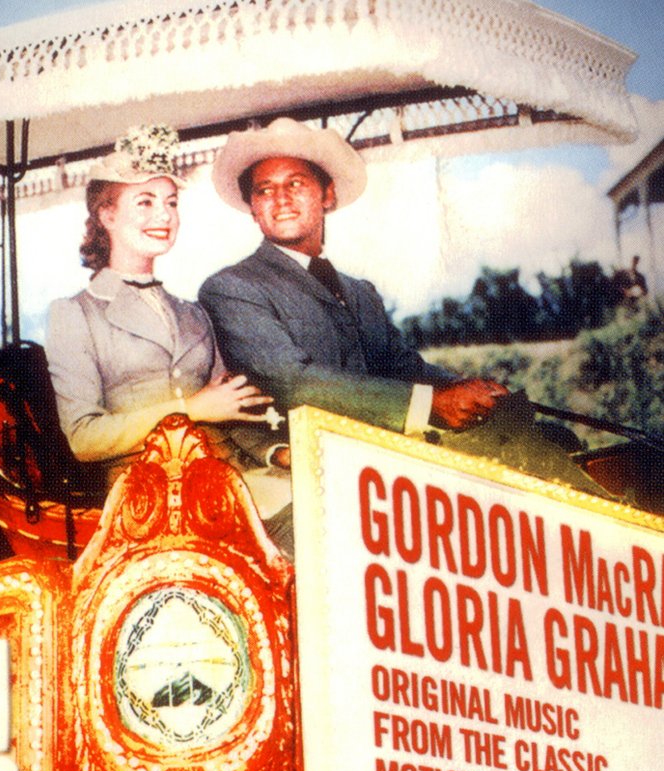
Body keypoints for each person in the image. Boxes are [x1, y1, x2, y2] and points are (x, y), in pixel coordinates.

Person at [200, 116, 603, 503]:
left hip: (386, 451)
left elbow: (402, 364)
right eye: (265, 190)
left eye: (296, 183)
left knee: (553, 438)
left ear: (327, 195)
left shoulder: (360, 293)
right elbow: (292, 382)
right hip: (326, 465)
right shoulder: (232, 288)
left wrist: (464, 387)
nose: (281, 199)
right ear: (253, 208)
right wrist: (432, 405)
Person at [46, 125, 272, 473]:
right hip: (149, 494)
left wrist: (276, 455)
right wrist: (189, 409)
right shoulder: (75, 314)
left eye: (171, 202)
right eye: (145, 202)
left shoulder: (194, 313)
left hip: (227, 471)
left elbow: (230, 409)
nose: (164, 215)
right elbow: (84, 438)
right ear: (107, 216)